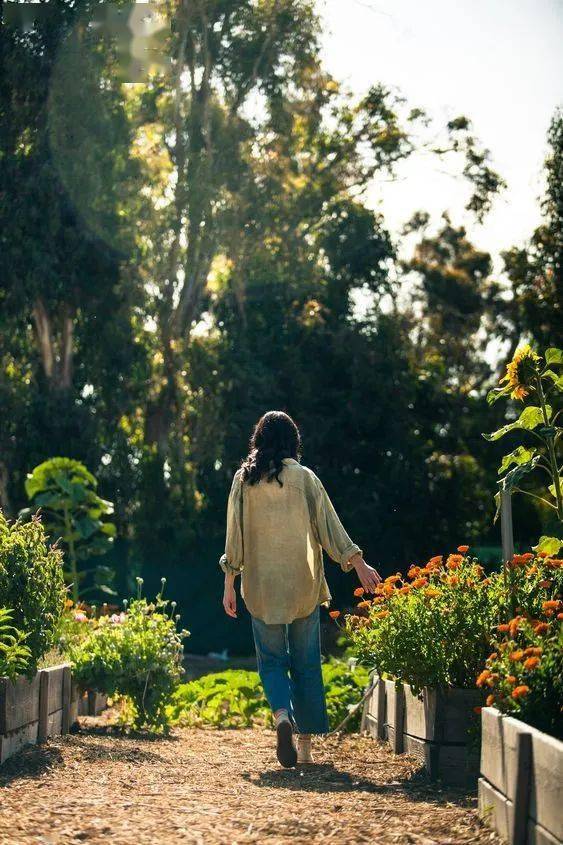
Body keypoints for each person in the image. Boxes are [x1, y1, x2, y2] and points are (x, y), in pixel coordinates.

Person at [220, 410, 382, 768]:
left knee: (272, 662)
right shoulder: (305, 478)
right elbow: (329, 526)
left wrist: (230, 582)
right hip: (302, 586)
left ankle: (282, 717)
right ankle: (306, 750)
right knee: (307, 663)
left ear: (258, 441)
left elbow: (235, 537)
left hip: (262, 588)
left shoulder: (243, 480)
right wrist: (357, 563)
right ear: (293, 441)